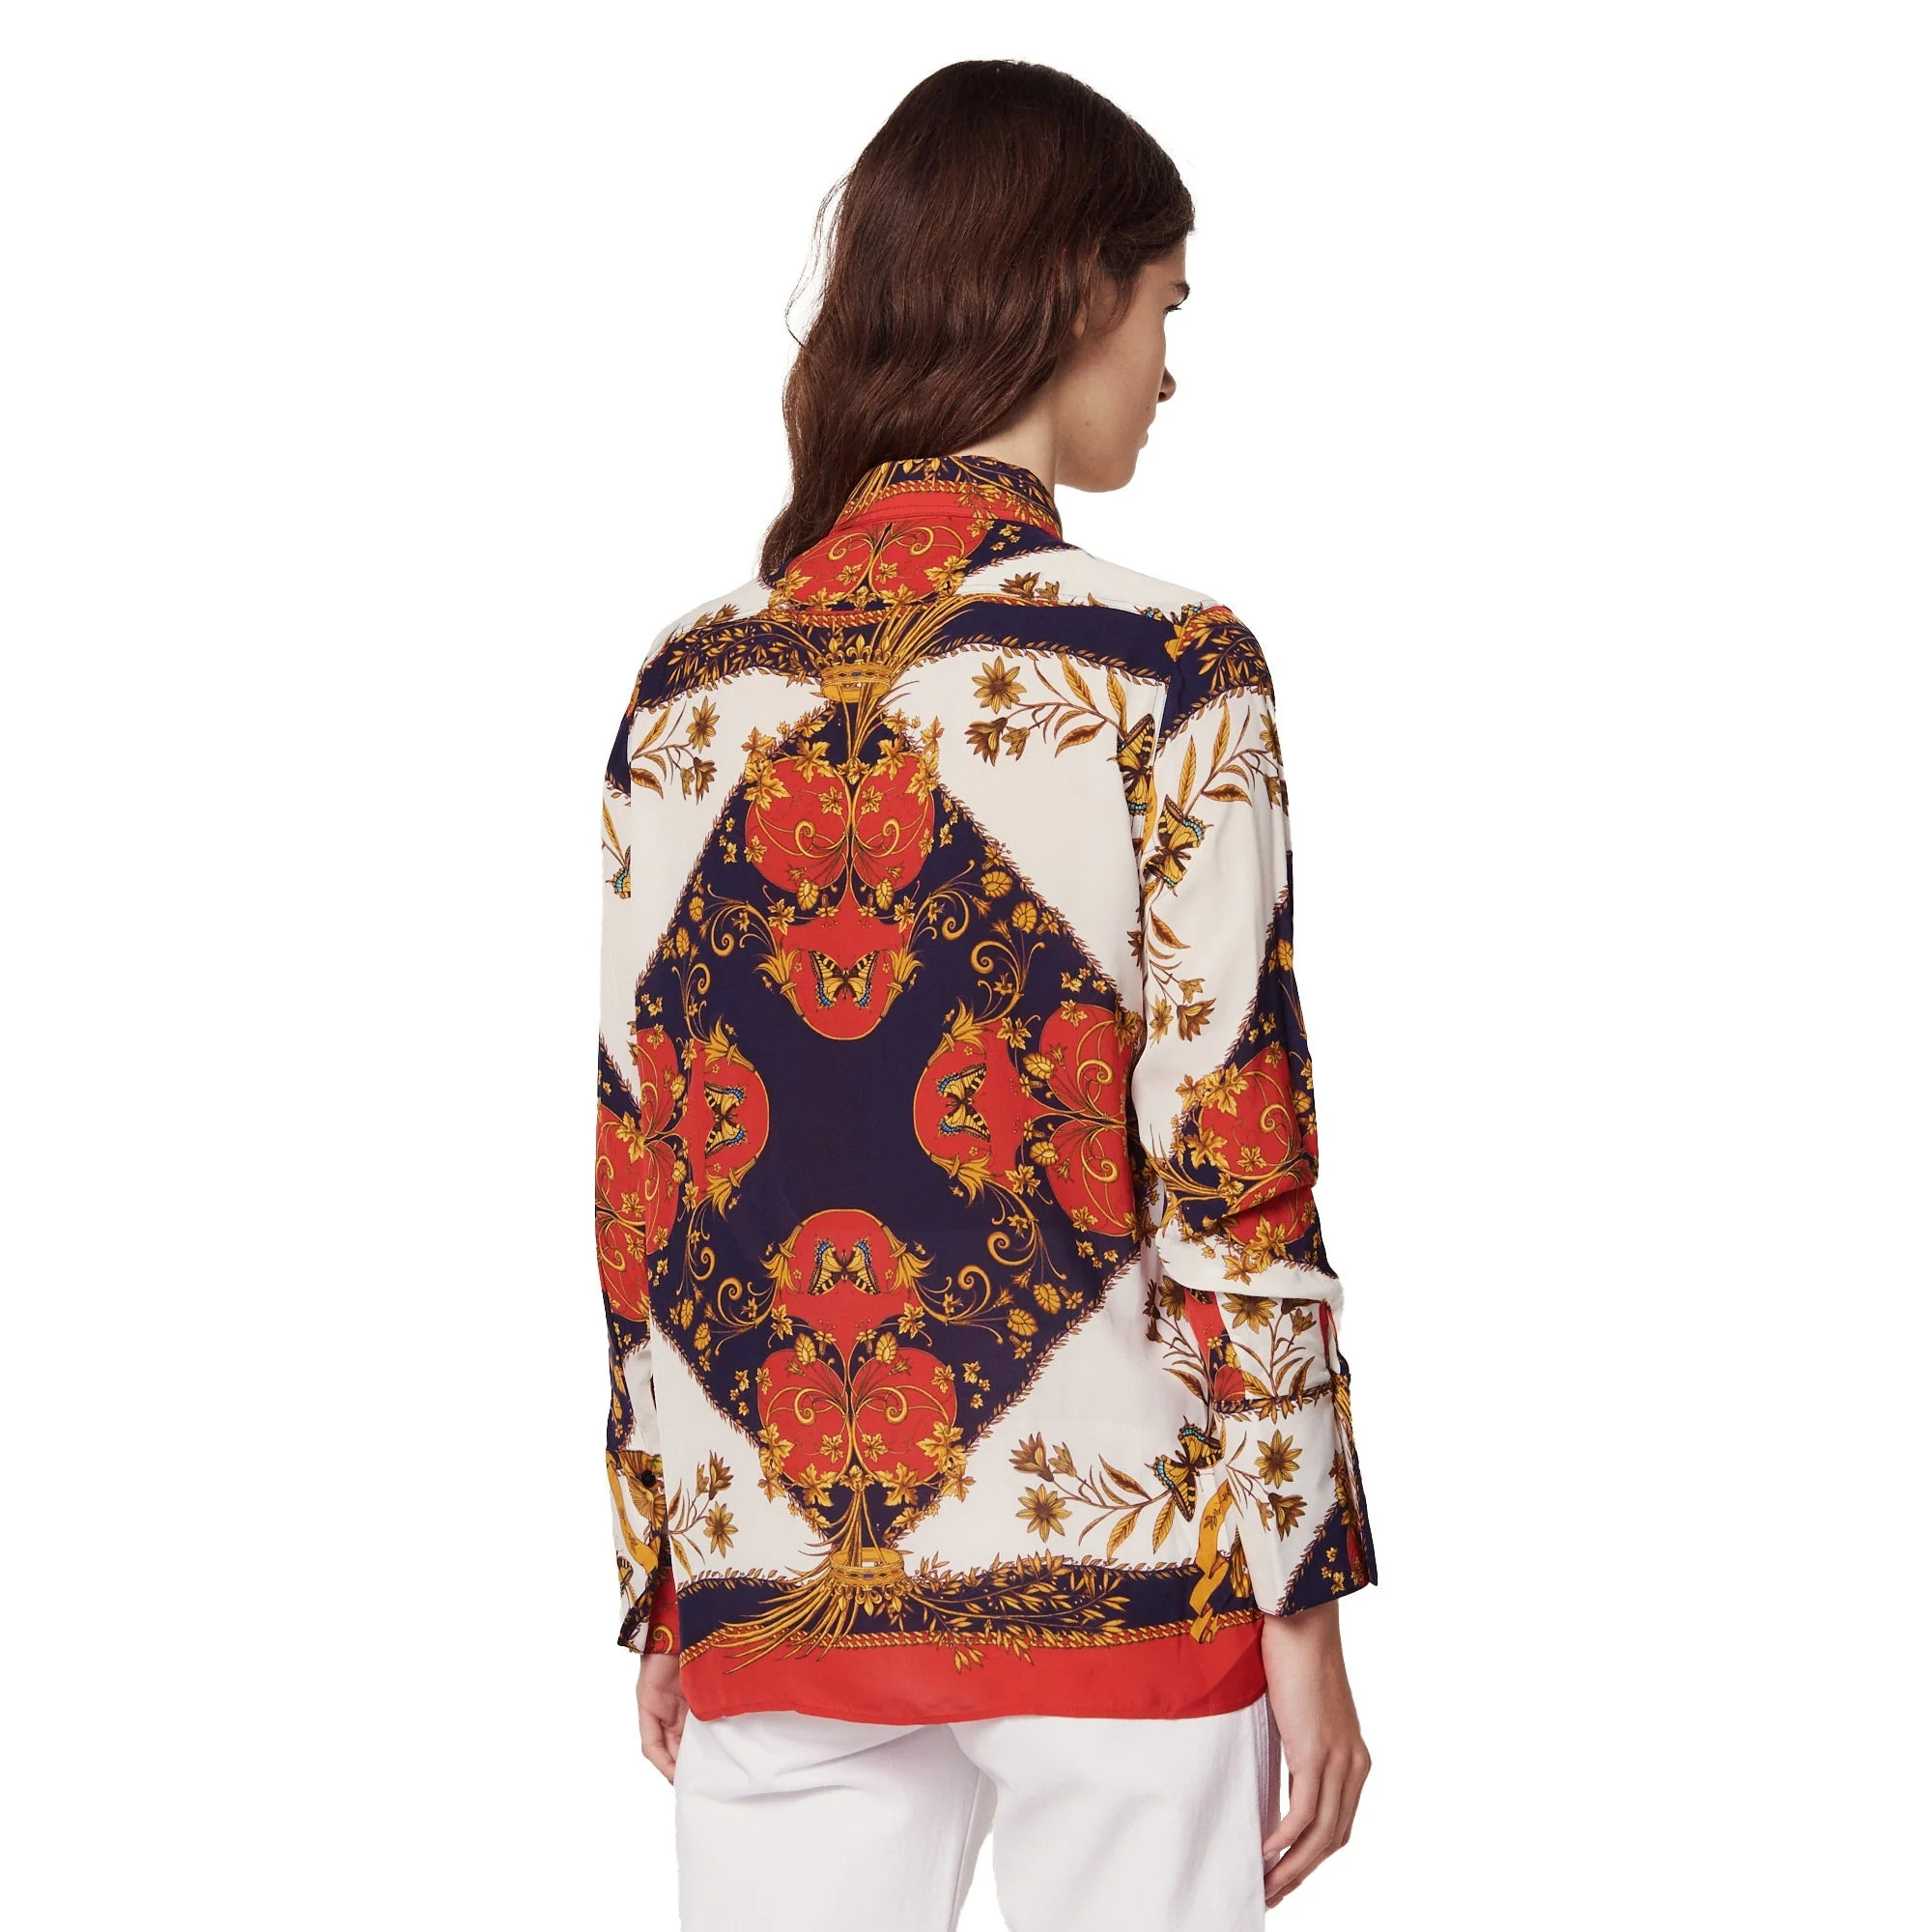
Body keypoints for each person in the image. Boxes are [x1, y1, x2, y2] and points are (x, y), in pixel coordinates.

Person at [594, 59, 1377, 1931]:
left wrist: (665, 1569)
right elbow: (1234, 1160)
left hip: (773, 1575)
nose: (1170, 367)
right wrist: (1303, 1593)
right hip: (1126, 1569)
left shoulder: (684, 693)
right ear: (1072, 289)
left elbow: (650, 1165)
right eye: (1166, 303)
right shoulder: (1168, 672)